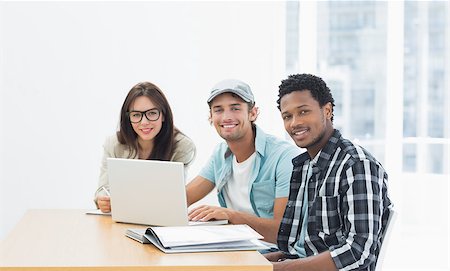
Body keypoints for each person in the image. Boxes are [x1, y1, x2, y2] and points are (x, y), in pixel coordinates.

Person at [265, 73, 393, 271]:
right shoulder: (305, 166)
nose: (294, 123)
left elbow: (358, 251)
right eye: (287, 116)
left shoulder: (356, 165)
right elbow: (302, 248)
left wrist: (281, 268)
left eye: (304, 112)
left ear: (327, 110)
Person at [186, 79, 300, 244]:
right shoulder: (220, 155)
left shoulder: (284, 157)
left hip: (274, 253)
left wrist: (231, 215)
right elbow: (184, 198)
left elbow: (283, 232)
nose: (226, 117)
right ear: (210, 117)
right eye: (218, 110)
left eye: (235, 108)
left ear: (253, 113)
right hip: (236, 247)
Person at [95, 81, 196, 213]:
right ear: (128, 118)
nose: (144, 122)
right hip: (123, 218)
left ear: (163, 115)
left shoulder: (183, 146)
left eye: (152, 113)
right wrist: (102, 201)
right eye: (136, 115)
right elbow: (102, 190)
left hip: (160, 218)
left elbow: (173, 198)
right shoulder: (114, 144)